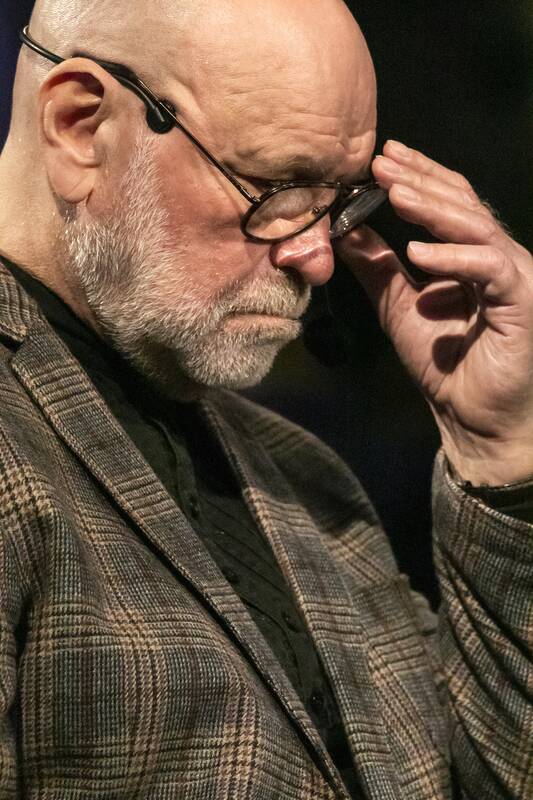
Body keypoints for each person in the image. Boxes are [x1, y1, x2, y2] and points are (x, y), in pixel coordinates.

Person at [0, 0, 530, 797]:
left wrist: (501, 449)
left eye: (336, 199)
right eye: (275, 187)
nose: (317, 258)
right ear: (81, 126)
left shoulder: (303, 476)